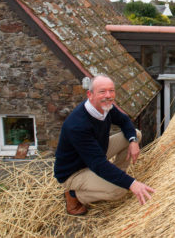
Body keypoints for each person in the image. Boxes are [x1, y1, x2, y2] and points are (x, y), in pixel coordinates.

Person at [54, 75, 155, 215]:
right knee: (119, 190)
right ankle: (73, 195)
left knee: (135, 134)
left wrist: (133, 141)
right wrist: (132, 183)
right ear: (90, 94)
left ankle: (116, 176)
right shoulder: (77, 125)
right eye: (102, 91)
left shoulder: (106, 108)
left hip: (96, 152)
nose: (108, 95)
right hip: (75, 171)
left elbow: (125, 121)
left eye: (111, 91)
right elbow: (98, 164)